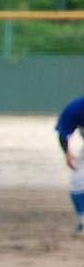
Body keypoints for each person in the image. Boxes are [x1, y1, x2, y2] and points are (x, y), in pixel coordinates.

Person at [54, 93, 84, 234]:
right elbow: (63, 132)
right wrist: (67, 153)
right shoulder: (77, 107)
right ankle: (82, 219)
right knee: (77, 179)